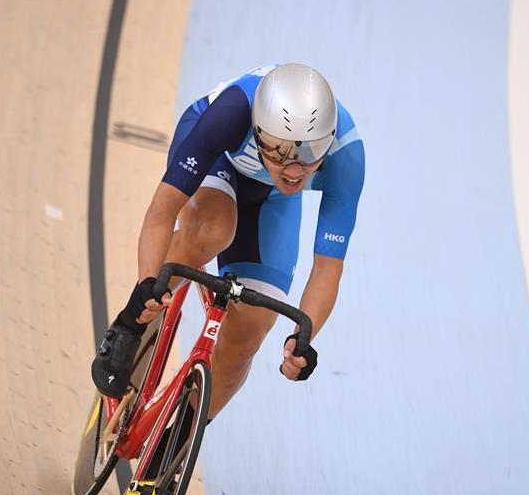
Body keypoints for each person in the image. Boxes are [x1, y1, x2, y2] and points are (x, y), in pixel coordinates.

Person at [91, 63, 365, 422]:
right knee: (211, 230)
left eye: (311, 152)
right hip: (217, 157)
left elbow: (328, 267)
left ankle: (174, 448)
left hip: (270, 197)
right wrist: (146, 282)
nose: (295, 168)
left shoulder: (346, 155)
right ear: (258, 130)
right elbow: (161, 212)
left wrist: (303, 338)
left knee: (249, 332)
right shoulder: (232, 113)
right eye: (279, 150)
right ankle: (131, 325)